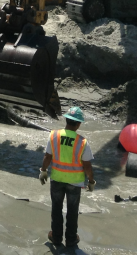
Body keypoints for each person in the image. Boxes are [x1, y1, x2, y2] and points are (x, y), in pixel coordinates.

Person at [38, 106, 96, 249]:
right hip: (75, 183)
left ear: (66, 120)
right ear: (78, 124)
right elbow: (87, 166)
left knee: (56, 209)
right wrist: (91, 181)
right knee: (72, 211)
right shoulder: (82, 142)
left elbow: (47, 156)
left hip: (57, 179)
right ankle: (71, 239)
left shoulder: (54, 136)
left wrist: (43, 170)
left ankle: (56, 238)